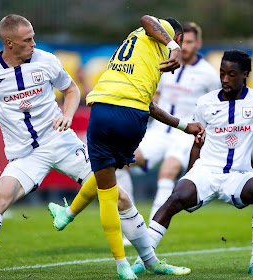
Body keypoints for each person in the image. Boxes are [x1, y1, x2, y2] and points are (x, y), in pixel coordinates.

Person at [131, 50, 253, 275]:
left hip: (238, 174)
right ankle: (142, 259)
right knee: (174, 198)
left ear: (245, 74)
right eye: (222, 73)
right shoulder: (205, 103)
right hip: (205, 171)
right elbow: (198, 141)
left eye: (231, 74)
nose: (225, 79)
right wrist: (188, 175)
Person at [48, 15, 204, 278]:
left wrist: (182, 125)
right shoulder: (163, 38)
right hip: (130, 117)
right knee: (108, 183)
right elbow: (147, 18)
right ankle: (76, 220)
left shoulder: (137, 49)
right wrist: (174, 47)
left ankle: (119, 259)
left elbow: (151, 105)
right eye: (178, 42)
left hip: (102, 111)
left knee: (107, 185)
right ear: (175, 37)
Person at [116, 22, 220, 223]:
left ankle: (153, 229)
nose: (185, 47)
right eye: (183, 42)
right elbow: (155, 96)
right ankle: (131, 222)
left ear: (198, 43)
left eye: (190, 42)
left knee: (167, 171)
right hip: (159, 131)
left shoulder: (209, 74)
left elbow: (214, 109)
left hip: (184, 135)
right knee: (120, 161)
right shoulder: (165, 62)